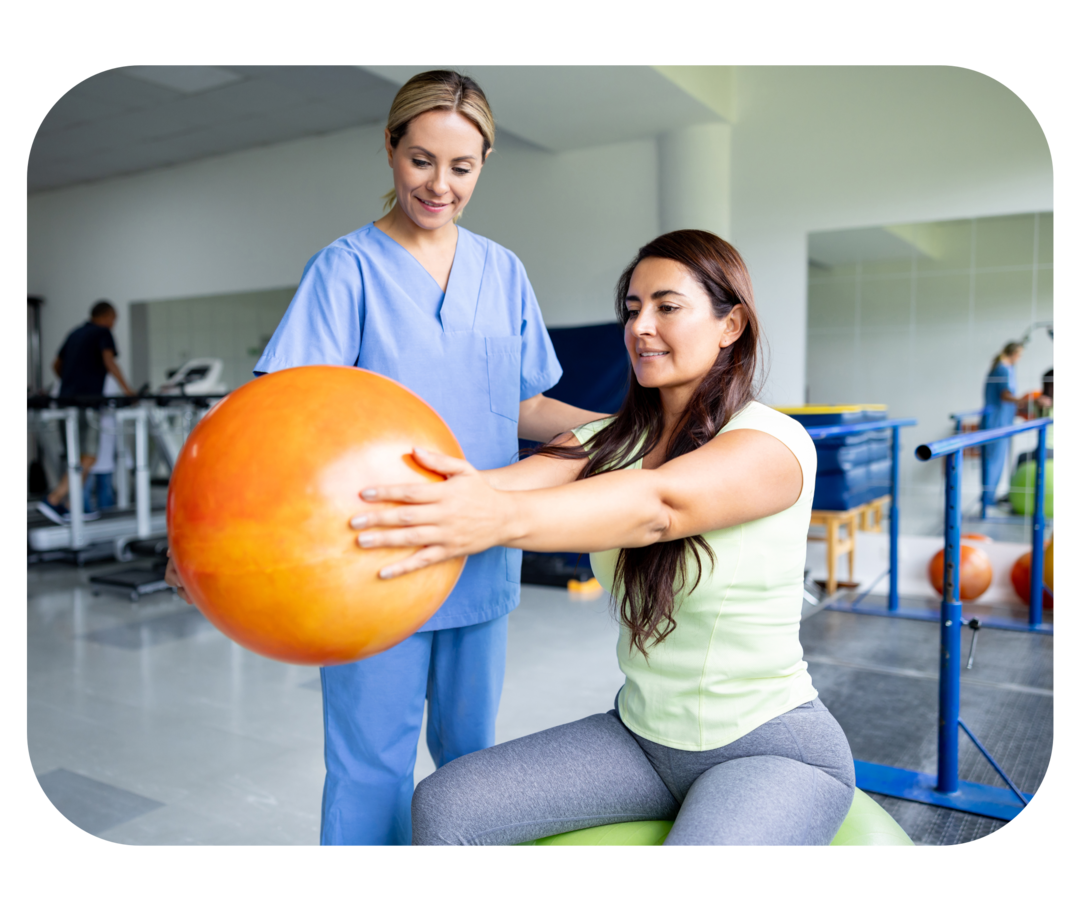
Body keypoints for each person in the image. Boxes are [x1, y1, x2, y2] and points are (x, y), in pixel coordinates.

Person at [165, 71, 603, 848]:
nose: (440, 184)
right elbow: (280, 420)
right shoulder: (345, 270)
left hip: (480, 550)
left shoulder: (503, 272)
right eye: (421, 160)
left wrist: (617, 427)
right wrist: (200, 531)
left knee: (475, 764)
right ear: (392, 149)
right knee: (371, 767)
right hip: (369, 558)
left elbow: (523, 404)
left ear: (484, 164)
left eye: (461, 166)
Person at [354, 230, 856, 848]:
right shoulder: (607, 442)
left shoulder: (772, 443)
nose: (641, 327)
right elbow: (489, 488)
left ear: (731, 325)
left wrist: (494, 518)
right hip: (641, 740)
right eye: (632, 309)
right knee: (444, 804)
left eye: (667, 307)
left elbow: (659, 506)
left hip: (769, 748)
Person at [37, 300, 135, 524]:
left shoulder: (75, 333)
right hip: (87, 403)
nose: (113, 324)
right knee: (88, 457)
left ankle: (71, 507)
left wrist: (71, 382)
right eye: (113, 320)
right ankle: (54, 499)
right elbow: (109, 362)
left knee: (76, 456)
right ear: (107, 316)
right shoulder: (103, 332)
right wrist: (129, 391)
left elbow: (56, 365)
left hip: (66, 401)